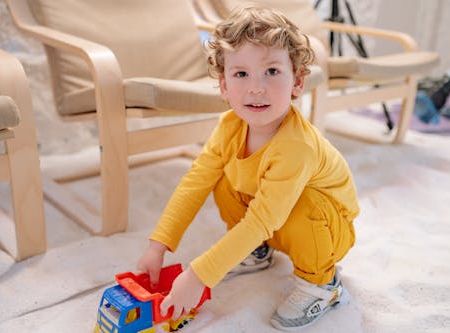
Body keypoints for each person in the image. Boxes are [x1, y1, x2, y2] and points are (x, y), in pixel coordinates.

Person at [137, 6, 359, 331]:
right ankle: (258, 251)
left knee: (304, 205)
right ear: (224, 87)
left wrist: (199, 276)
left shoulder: (296, 146)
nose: (256, 87)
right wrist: (157, 246)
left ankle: (323, 286)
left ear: (297, 81)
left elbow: (261, 219)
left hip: (326, 228)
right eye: (241, 74)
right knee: (222, 180)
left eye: (271, 71)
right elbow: (195, 182)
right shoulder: (229, 126)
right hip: (274, 219)